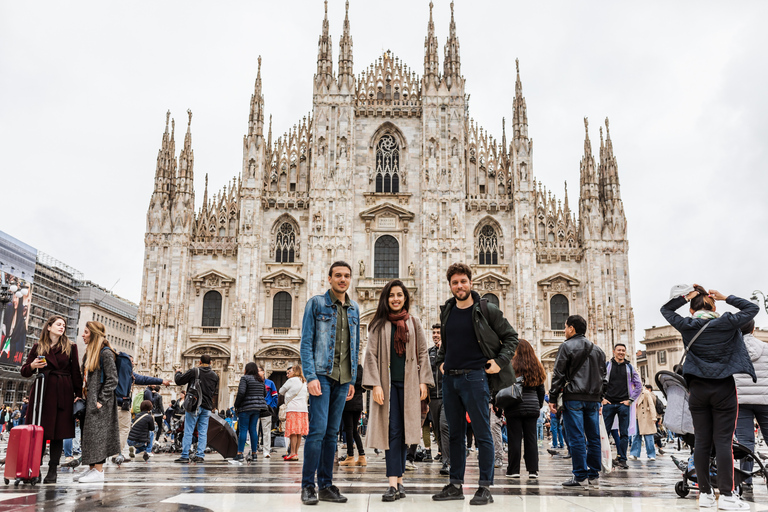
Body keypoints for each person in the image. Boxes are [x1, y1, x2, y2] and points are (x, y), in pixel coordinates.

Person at [661, 285, 757, 511]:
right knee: (723, 442)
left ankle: (704, 494)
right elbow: (752, 308)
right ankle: (726, 496)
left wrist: (686, 297)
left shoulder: (687, 325)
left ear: (692, 311)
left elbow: (666, 311)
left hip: (698, 390)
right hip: (724, 388)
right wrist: (726, 297)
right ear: (713, 305)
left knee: (702, 443)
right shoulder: (726, 322)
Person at [432, 263, 519, 506]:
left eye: (463, 281)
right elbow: (446, 343)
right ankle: (455, 484)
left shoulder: (485, 309)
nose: (459, 286)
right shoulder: (448, 310)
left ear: (470, 282)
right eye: (454, 282)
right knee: (455, 434)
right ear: (450, 286)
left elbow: (511, 337)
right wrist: (441, 361)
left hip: (475, 377)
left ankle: (484, 487)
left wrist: (500, 362)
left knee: (482, 434)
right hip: (450, 379)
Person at [363, 279, 433, 502]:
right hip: (387, 384)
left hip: (410, 383)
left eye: (399, 295)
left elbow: (422, 352)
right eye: (392, 295)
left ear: (405, 298)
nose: (395, 299)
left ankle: (400, 481)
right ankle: (392, 483)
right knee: (392, 431)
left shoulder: (414, 322)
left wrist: (424, 382)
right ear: (386, 298)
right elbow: (371, 355)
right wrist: (375, 384)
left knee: (405, 433)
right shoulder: (378, 325)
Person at [300, 261, 360, 505]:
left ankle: (326, 484)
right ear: (329, 278)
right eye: (338, 275)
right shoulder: (316, 304)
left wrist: (353, 379)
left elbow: (354, 345)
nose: (342, 279)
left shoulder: (354, 308)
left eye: (346, 276)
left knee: (332, 433)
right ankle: (308, 486)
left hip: (343, 379)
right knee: (317, 431)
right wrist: (310, 375)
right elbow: (306, 343)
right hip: (322, 376)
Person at [20, 315, 83, 484]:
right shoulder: (38, 346)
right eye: (58, 324)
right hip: (42, 392)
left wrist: (78, 394)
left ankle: (52, 470)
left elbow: (75, 371)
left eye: (64, 325)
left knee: (58, 433)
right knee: (39, 432)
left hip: (63, 391)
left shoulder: (70, 347)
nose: (62, 327)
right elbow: (24, 371)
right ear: (49, 327)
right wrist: (33, 366)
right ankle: (34, 467)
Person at [548, 314, 607, 489]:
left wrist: (552, 398)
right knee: (594, 437)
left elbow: (558, 374)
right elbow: (605, 378)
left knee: (576, 438)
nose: (564, 330)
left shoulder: (566, 347)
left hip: (573, 398)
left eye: (566, 327)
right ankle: (594, 476)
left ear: (572, 328)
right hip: (593, 399)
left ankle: (580, 475)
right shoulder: (598, 350)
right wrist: (600, 396)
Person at [78, 321, 121, 483]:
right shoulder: (91, 352)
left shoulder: (106, 353)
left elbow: (112, 379)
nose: (83, 335)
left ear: (94, 334)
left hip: (101, 403)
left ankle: (98, 470)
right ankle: (91, 469)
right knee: (89, 436)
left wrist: (100, 401)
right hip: (91, 400)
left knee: (98, 436)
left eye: (86, 332)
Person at [503, 339, 546, 479]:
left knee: (514, 439)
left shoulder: (510, 366)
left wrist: (502, 406)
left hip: (514, 406)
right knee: (531, 439)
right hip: (532, 406)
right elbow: (541, 389)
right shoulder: (536, 366)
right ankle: (533, 470)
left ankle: (513, 470)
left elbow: (504, 388)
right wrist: (538, 405)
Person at [734, 319, 768, 493]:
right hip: (765, 400)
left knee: (746, 442)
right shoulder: (766, 347)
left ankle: (746, 477)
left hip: (741, 401)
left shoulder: (731, 350)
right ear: (753, 329)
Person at [601, 343, 641, 470]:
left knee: (624, 433)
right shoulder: (607, 366)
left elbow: (639, 385)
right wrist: (601, 398)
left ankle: (622, 459)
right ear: (614, 351)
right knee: (605, 433)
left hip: (624, 405)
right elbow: (598, 381)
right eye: (619, 350)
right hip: (609, 404)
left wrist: (630, 400)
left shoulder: (629, 367)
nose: (621, 352)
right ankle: (603, 458)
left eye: (623, 350)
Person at [174, 354, 220, 463]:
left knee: (189, 430)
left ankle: (185, 455)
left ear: (199, 362)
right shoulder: (215, 376)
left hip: (195, 406)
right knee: (203, 432)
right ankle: (200, 455)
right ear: (211, 363)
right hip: (207, 407)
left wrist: (178, 372)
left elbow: (179, 381)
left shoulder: (194, 371)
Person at [233, 362, 267, 463]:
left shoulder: (245, 378)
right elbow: (264, 393)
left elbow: (241, 392)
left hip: (246, 407)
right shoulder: (260, 379)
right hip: (257, 408)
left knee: (243, 430)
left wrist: (237, 404)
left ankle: (240, 453)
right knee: (253, 430)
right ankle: (254, 453)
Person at [280, 364, 309, 461]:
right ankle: (296, 453)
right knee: (299, 433)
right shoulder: (304, 381)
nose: (288, 373)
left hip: (293, 408)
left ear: (295, 371)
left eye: (290, 371)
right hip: (303, 409)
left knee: (293, 432)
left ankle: (292, 453)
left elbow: (281, 391)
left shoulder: (291, 381)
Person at [339, 364, 366, 466]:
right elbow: (364, 388)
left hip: (348, 401)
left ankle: (350, 456)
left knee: (349, 429)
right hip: (358, 402)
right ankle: (362, 456)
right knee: (355, 430)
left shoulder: (347, 367)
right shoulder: (360, 369)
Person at [427, 324, 446, 462]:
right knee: (436, 428)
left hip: (446, 394)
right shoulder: (429, 352)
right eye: (434, 332)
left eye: (438, 332)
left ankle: (447, 456)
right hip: (433, 394)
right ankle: (441, 451)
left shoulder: (449, 350)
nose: (435, 335)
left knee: (444, 425)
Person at [630, 385, 658, 460]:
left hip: (645, 417)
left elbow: (651, 405)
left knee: (649, 437)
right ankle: (634, 453)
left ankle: (651, 455)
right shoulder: (631, 393)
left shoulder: (645, 393)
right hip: (635, 417)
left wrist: (654, 417)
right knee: (636, 436)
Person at [258, 365, 278, 459]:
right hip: (256, 408)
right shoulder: (255, 382)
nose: (257, 373)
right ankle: (254, 449)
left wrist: (272, 406)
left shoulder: (270, 383)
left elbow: (275, 395)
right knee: (254, 430)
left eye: (259, 371)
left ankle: (266, 450)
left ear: (263, 372)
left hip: (266, 408)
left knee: (266, 432)